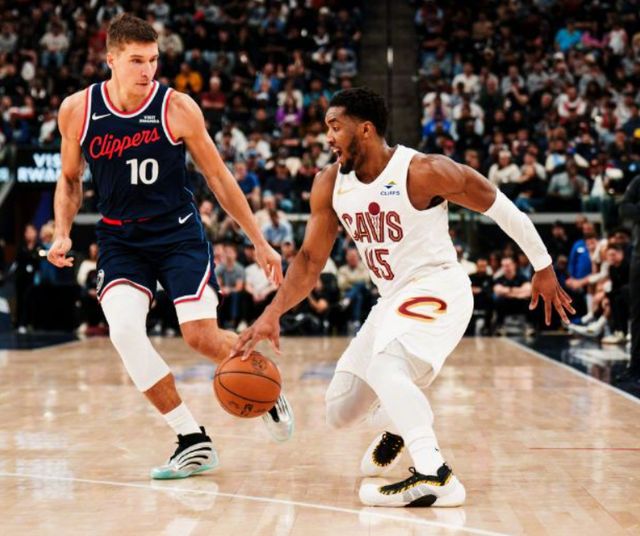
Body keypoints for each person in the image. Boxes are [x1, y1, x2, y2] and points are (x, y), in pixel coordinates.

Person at [233, 87, 573, 507]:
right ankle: (399, 423)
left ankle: (436, 474)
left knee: (386, 366)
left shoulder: (422, 171)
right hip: (392, 298)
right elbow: (308, 261)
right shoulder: (329, 184)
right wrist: (273, 312)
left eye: (335, 127)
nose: (328, 137)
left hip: (438, 286)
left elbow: (498, 205)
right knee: (339, 411)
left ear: (366, 130)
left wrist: (542, 265)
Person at [46, 14, 293, 481]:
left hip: (178, 234)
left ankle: (267, 386)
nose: (147, 71)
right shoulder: (77, 110)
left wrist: (259, 241)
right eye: (136, 61)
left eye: (153, 60)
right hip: (120, 239)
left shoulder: (176, 107)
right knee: (123, 331)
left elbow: (218, 177)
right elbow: (70, 180)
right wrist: (62, 231)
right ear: (111, 59)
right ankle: (191, 439)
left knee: (199, 336)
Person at [618, 174, 640, 384]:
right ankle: (635, 367)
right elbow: (624, 208)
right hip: (639, 256)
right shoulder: (638, 182)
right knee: (637, 313)